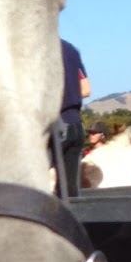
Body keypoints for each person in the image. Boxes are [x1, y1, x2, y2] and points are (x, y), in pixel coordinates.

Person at [58, 39, 90, 197]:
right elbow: (86, 89)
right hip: (76, 125)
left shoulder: (37, 48)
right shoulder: (71, 50)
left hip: (58, 123)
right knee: (70, 191)